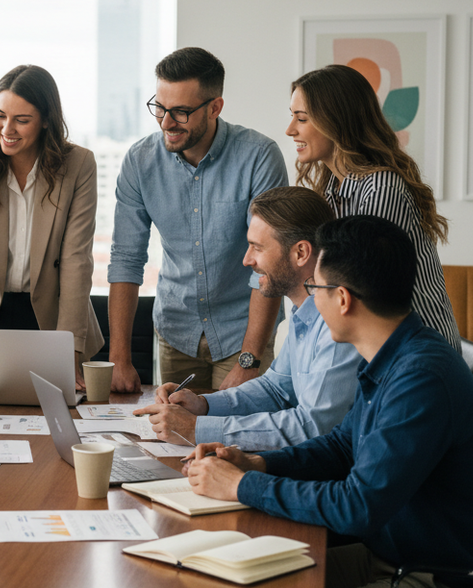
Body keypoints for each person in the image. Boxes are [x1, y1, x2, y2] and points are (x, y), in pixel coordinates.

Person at [185, 215, 473, 588]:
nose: (312, 301)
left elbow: (357, 507)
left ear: (342, 298)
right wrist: (258, 463)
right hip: (395, 559)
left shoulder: (421, 377)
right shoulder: (394, 354)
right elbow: (343, 447)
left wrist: (242, 485)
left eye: (316, 289)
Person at [108, 47, 288, 393]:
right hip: (176, 331)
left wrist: (248, 360)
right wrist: (120, 358)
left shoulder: (258, 157)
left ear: (215, 107)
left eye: (180, 112)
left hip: (242, 334)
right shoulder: (139, 161)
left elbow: (268, 263)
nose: (165, 122)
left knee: (235, 441)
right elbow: (126, 260)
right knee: (173, 441)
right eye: (159, 108)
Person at [134, 186, 359, 450]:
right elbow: (277, 390)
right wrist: (203, 405)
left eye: (257, 247)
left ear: (301, 253)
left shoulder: (338, 326)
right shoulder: (304, 313)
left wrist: (197, 429)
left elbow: (313, 427)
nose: (246, 260)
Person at [0, 64, 103, 388]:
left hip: (55, 317)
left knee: (56, 426)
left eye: (21, 120)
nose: (6, 128)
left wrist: (68, 353)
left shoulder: (78, 165)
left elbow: (75, 261)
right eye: (0, 115)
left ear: (46, 121)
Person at [288, 63, 460, 351]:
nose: (290, 129)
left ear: (335, 121)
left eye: (301, 119)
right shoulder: (333, 191)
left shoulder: (381, 187)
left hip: (417, 353)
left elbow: (354, 286)